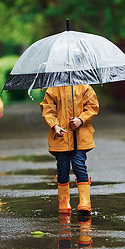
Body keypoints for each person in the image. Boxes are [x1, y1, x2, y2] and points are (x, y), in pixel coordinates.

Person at [40, 84, 99, 214]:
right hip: (61, 136)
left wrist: (81, 119)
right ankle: (63, 200)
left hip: (80, 137)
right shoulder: (53, 89)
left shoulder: (85, 87)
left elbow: (92, 106)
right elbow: (48, 110)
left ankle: (85, 201)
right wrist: (54, 125)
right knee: (62, 168)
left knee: (79, 165)